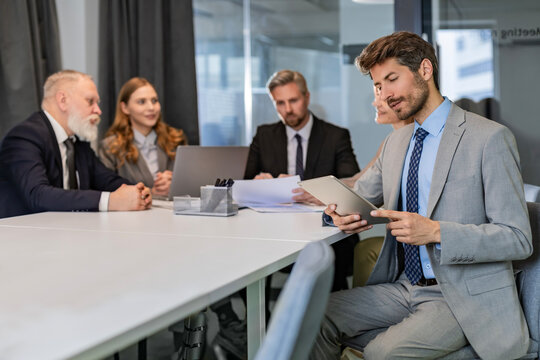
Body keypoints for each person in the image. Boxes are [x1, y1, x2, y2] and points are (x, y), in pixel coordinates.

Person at [311, 31, 532, 359]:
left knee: (381, 353)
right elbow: (358, 197)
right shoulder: (396, 142)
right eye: (377, 85)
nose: (384, 94)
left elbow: (518, 239)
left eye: (391, 79)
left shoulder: (489, 139)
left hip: (461, 295)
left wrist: (436, 232)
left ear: (425, 70)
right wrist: (337, 214)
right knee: (312, 316)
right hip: (404, 286)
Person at [0, 70, 152, 219]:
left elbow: (108, 180)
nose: (98, 111)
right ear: (63, 100)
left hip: (63, 234)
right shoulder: (24, 137)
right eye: (90, 101)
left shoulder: (77, 145)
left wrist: (138, 191)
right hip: (22, 237)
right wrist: (110, 201)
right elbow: (38, 195)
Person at [244, 70, 360, 204]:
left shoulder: (335, 136)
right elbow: (243, 180)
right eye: (280, 103)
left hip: (317, 215)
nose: (288, 109)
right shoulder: (264, 135)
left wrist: (317, 192)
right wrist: (258, 183)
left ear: (307, 97)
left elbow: (353, 183)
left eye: (293, 100)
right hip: (275, 214)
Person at [345, 87, 413, 288]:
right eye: (376, 96)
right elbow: (362, 182)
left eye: (382, 97)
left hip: (417, 239)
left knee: (364, 248)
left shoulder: (411, 140)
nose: (376, 103)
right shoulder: (390, 142)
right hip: (400, 237)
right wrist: (319, 188)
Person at [99, 77, 187, 198]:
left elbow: (192, 186)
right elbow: (106, 193)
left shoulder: (176, 139)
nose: (151, 107)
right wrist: (151, 192)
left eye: (154, 100)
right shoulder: (110, 147)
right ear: (125, 108)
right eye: (141, 102)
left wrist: (176, 184)